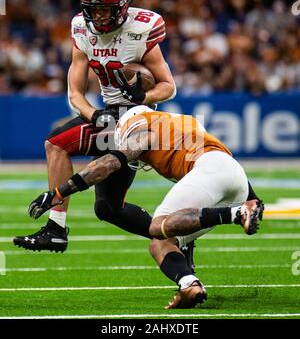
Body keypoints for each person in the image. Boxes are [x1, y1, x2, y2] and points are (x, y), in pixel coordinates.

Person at [13, 0, 196, 271]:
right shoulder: (81, 28)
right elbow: (75, 91)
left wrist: (141, 97)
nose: (97, 15)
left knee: (56, 143)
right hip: (108, 114)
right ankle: (178, 235)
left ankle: (56, 229)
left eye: (105, 9)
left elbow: (168, 86)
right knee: (109, 209)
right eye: (93, 8)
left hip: (138, 118)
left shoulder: (142, 28)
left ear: (121, 7)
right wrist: (94, 114)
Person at [16, 105, 264, 309]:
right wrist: (252, 198)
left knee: (157, 226)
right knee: (161, 242)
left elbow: (109, 164)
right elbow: (225, 165)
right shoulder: (183, 122)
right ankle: (189, 284)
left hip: (211, 171)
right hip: (234, 177)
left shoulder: (140, 127)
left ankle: (234, 214)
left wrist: (58, 192)